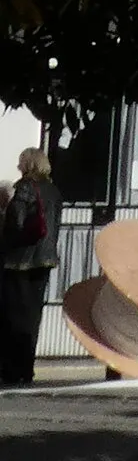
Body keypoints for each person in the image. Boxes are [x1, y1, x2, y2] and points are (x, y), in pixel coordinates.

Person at [0, 148, 58, 386]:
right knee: (33, 318)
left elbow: (16, 223)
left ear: (27, 165)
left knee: (13, 318)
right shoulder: (54, 191)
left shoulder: (24, 188)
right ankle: (26, 369)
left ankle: (12, 370)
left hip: (19, 262)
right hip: (44, 261)